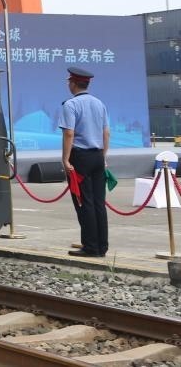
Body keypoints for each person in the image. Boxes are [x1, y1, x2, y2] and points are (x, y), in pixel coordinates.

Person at [58, 66, 110, 257]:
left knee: (83, 202)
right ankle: (101, 246)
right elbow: (106, 133)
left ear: (73, 84)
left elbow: (69, 133)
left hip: (80, 157)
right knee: (98, 202)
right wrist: (103, 156)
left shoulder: (70, 105)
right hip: (97, 156)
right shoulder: (99, 103)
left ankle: (90, 246)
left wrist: (65, 159)